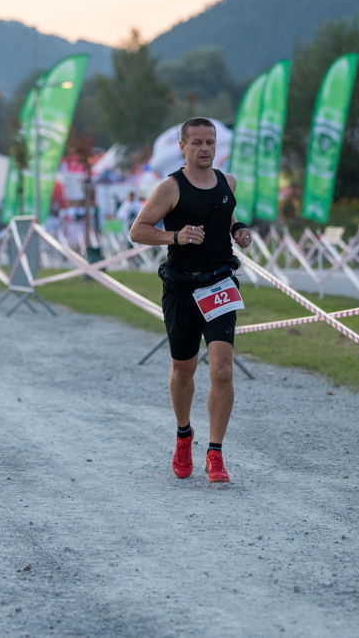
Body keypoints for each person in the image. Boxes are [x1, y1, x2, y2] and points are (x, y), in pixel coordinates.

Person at [130, 117, 253, 484]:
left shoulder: (227, 182)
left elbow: (224, 213)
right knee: (183, 370)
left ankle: (215, 453)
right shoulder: (170, 188)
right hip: (182, 288)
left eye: (210, 142)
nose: (205, 148)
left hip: (219, 285)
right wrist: (175, 237)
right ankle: (184, 435)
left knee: (223, 370)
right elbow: (138, 230)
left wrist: (238, 229)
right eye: (197, 142)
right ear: (183, 147)